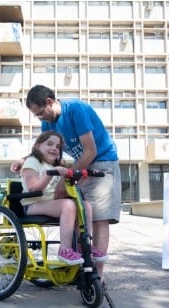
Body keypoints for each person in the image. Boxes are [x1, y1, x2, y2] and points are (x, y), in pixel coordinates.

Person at [12, 85, 121, 279]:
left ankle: (97, 276)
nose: (40, 118)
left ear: (50, 102)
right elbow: (41, 151)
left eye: (40, 113)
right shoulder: (48, 124)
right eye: (36, 116)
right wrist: (23, 159)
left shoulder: (75, 110)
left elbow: (90, 151)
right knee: (80, 209)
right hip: (79, 166)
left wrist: (66, 176)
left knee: (98, 217)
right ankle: (80, 259)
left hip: (101, 161)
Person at [20, 130, 106, 265]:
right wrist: (49, 174)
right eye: (50, 144)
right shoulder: (32, 162)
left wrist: (84, 175)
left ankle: (83, 246)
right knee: (68, 205)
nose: (54, 148)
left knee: (85, 205)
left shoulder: (57, 166)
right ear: (37, 146)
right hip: (33, 204)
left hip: (52, 204)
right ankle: (64, 250)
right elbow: (33, 188)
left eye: (58, 147)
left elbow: (69, 187)